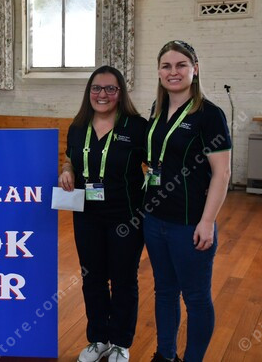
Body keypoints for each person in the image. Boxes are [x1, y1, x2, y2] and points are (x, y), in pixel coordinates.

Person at [144, 41, 231, 362]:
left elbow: (222, 173)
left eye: (181, 65)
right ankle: (165, 355)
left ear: (195, 69)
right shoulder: (156, 109)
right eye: (166, 66)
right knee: (165, 291)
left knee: (195, 298)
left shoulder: (210, 115)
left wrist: (207, 222)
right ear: (158, 72)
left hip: (190, 224)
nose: (174, 72)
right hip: (155, 220)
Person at [58, 66, 147, 362]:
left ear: (121, 93)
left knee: (123, 279)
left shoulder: (137, 127)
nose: (103, 94)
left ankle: (120, 342)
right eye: (96, 88)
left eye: (111, 88)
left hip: (126, 215)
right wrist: (67, 171)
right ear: (89, 92)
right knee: (92, 278)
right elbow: (71, 158)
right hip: (87, 215)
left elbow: (157, 165)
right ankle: (98, 338)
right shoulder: (78, 126)